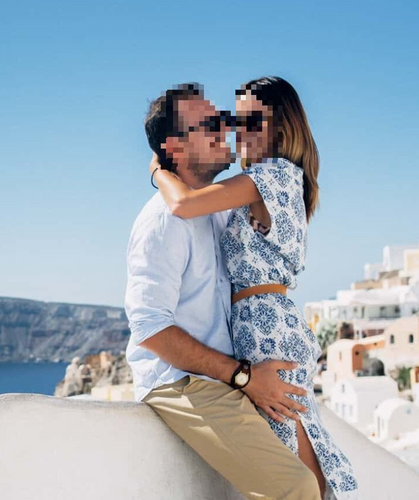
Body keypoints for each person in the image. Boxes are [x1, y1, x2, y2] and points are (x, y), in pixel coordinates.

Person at [149, 77, 360, 500]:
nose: (235, 130)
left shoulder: (273, 176)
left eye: (249, 121)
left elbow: (184, 204)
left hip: (269, 330)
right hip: (264, 324)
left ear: (279, 129)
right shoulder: (264, 184)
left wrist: (158, 169)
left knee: (296, 460)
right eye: (232, 119)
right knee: (297, 453)